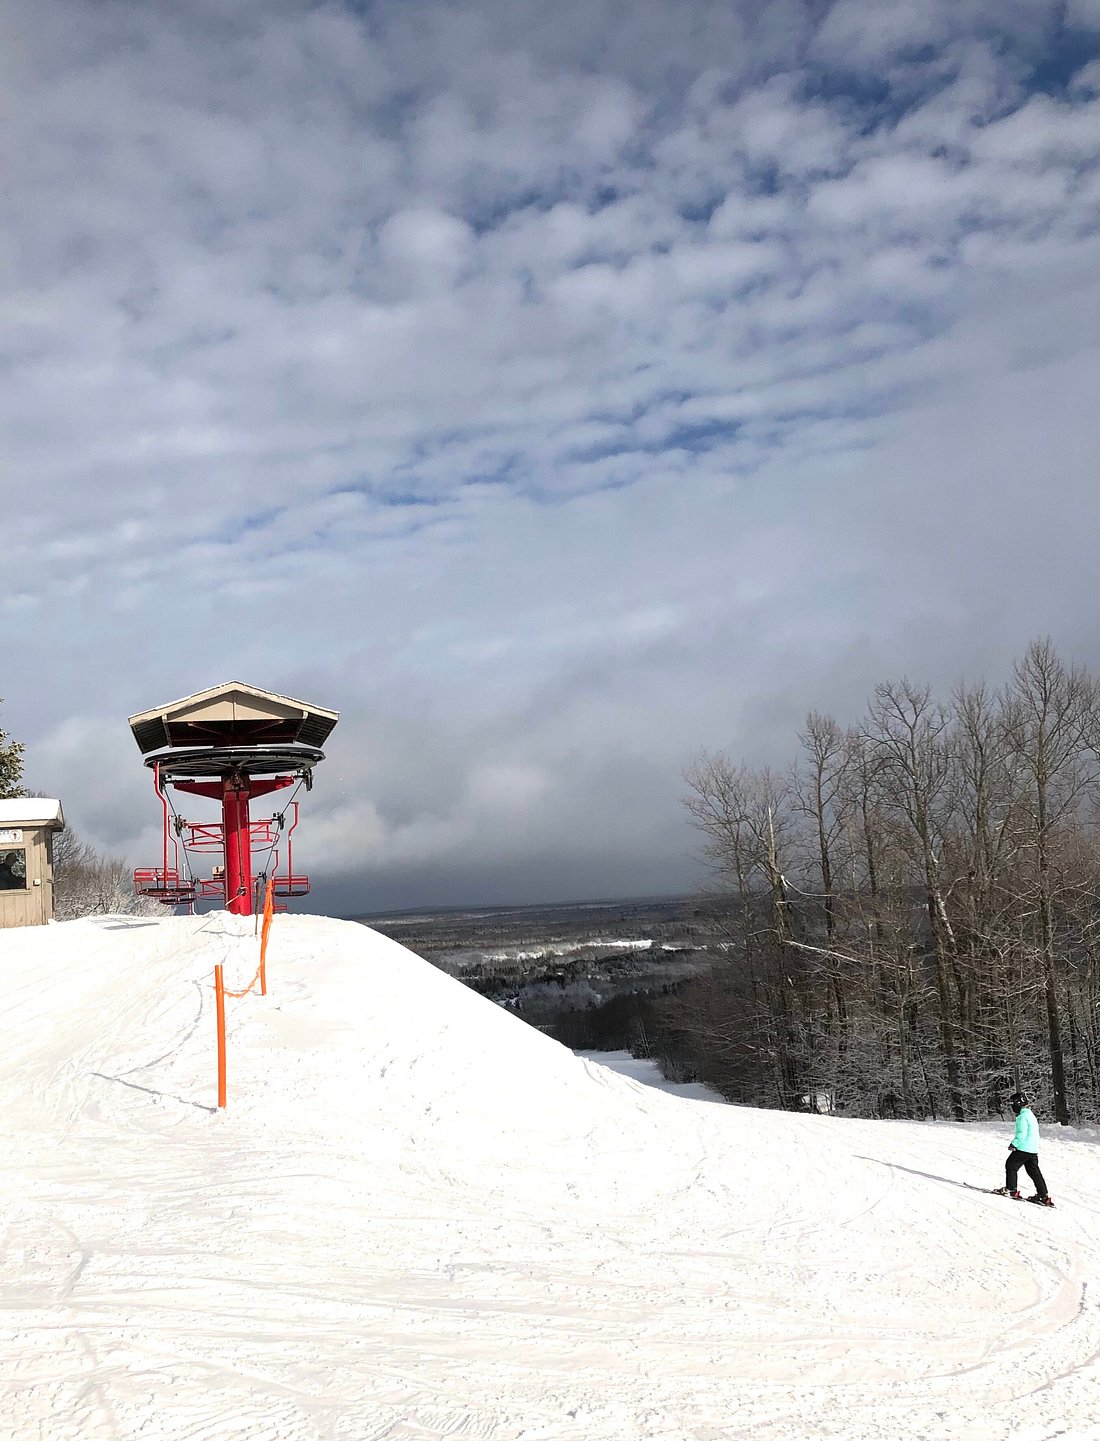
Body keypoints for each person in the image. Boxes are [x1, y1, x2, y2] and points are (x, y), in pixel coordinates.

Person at [996, 1092, 1053, 1206]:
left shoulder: (1022, 1117)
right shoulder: (1030, 1115)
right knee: (1034, 1172)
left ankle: (1011, 1190)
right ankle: (1043, 1195)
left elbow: (1022, 1133)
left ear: (1018, 1103)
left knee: (1011, 1166)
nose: (1012, 1106)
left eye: (1013, 1103)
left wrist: (1014, 1144)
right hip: (1032, 1149)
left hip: (1023, 1148)